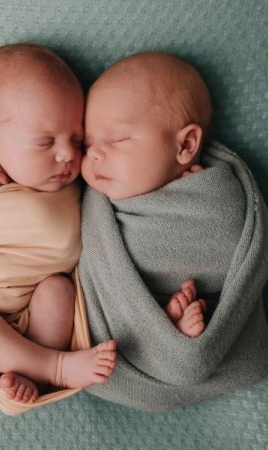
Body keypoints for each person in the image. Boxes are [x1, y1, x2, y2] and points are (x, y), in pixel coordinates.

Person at [0, 43, 116, 405]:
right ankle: (54, 367)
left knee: (59, 291)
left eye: (76, 139)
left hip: (35, 313)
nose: (68, 154)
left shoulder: (78, 182)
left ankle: (34, 367)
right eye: (45, 142)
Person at [81, 51, 213, 337]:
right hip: (120, 334)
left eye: (118, 139)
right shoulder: (96, 203)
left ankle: (165, 331)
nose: (93, 155)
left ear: (186, 144)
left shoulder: (213, 197)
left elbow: (228, 247)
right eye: (87, 144)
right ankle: (159, 329)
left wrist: (205, 198)